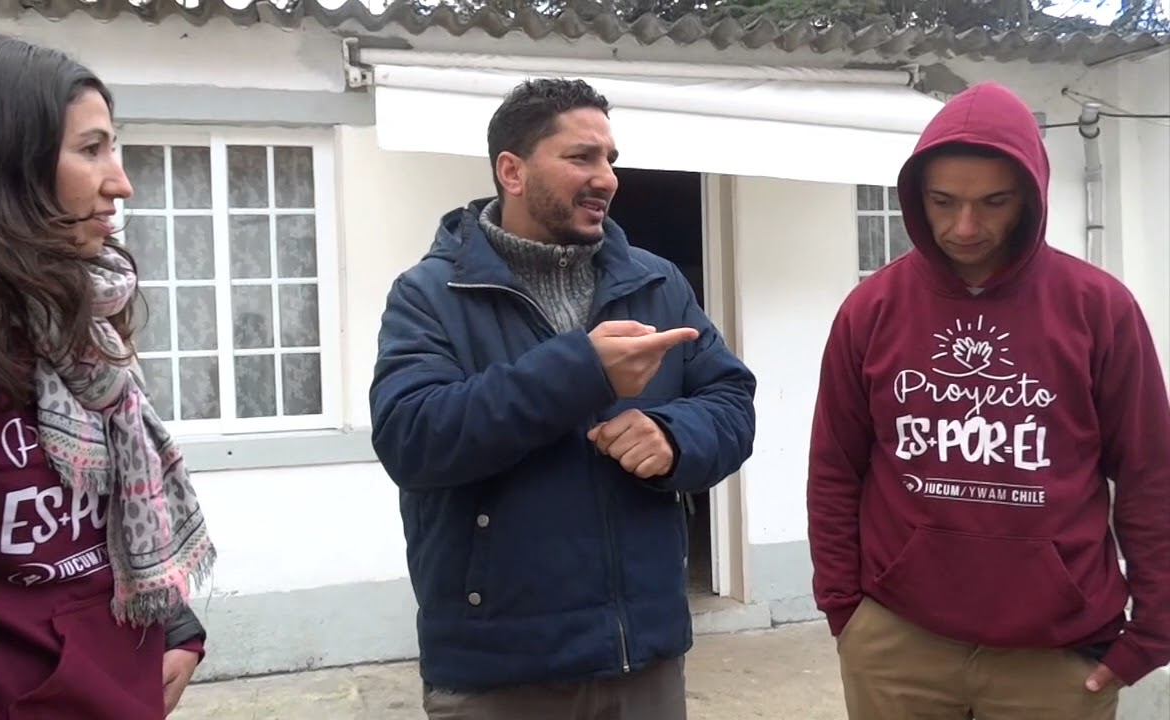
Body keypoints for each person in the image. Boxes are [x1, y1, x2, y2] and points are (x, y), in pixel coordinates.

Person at [368, 77, 757, 720]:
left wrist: (674, 436)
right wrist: (582, 370)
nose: (607, 178)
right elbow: (412, 438)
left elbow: (731, 400)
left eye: (610, 159)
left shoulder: (656, 282)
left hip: (644, 661)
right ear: (512, 171)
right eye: (581, 157)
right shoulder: (431, 294)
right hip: (500, 674)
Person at [807, 80, 1170, 719]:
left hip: (1055, 654)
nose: (965, 227)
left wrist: (1155, 626)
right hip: (898, 641)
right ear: (917, 196)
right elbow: (835, 468)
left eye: (993, 202)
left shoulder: (1098, 309)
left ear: (1030, 195)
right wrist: (844, 610)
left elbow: (1150, 473)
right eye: (943, 202)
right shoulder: (872, 309)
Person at [0, 34, 217, 720]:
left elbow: (118, 511)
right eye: (91, 150)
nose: (120, 183)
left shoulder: (82, 316)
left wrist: (175, 626)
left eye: (112, 148)